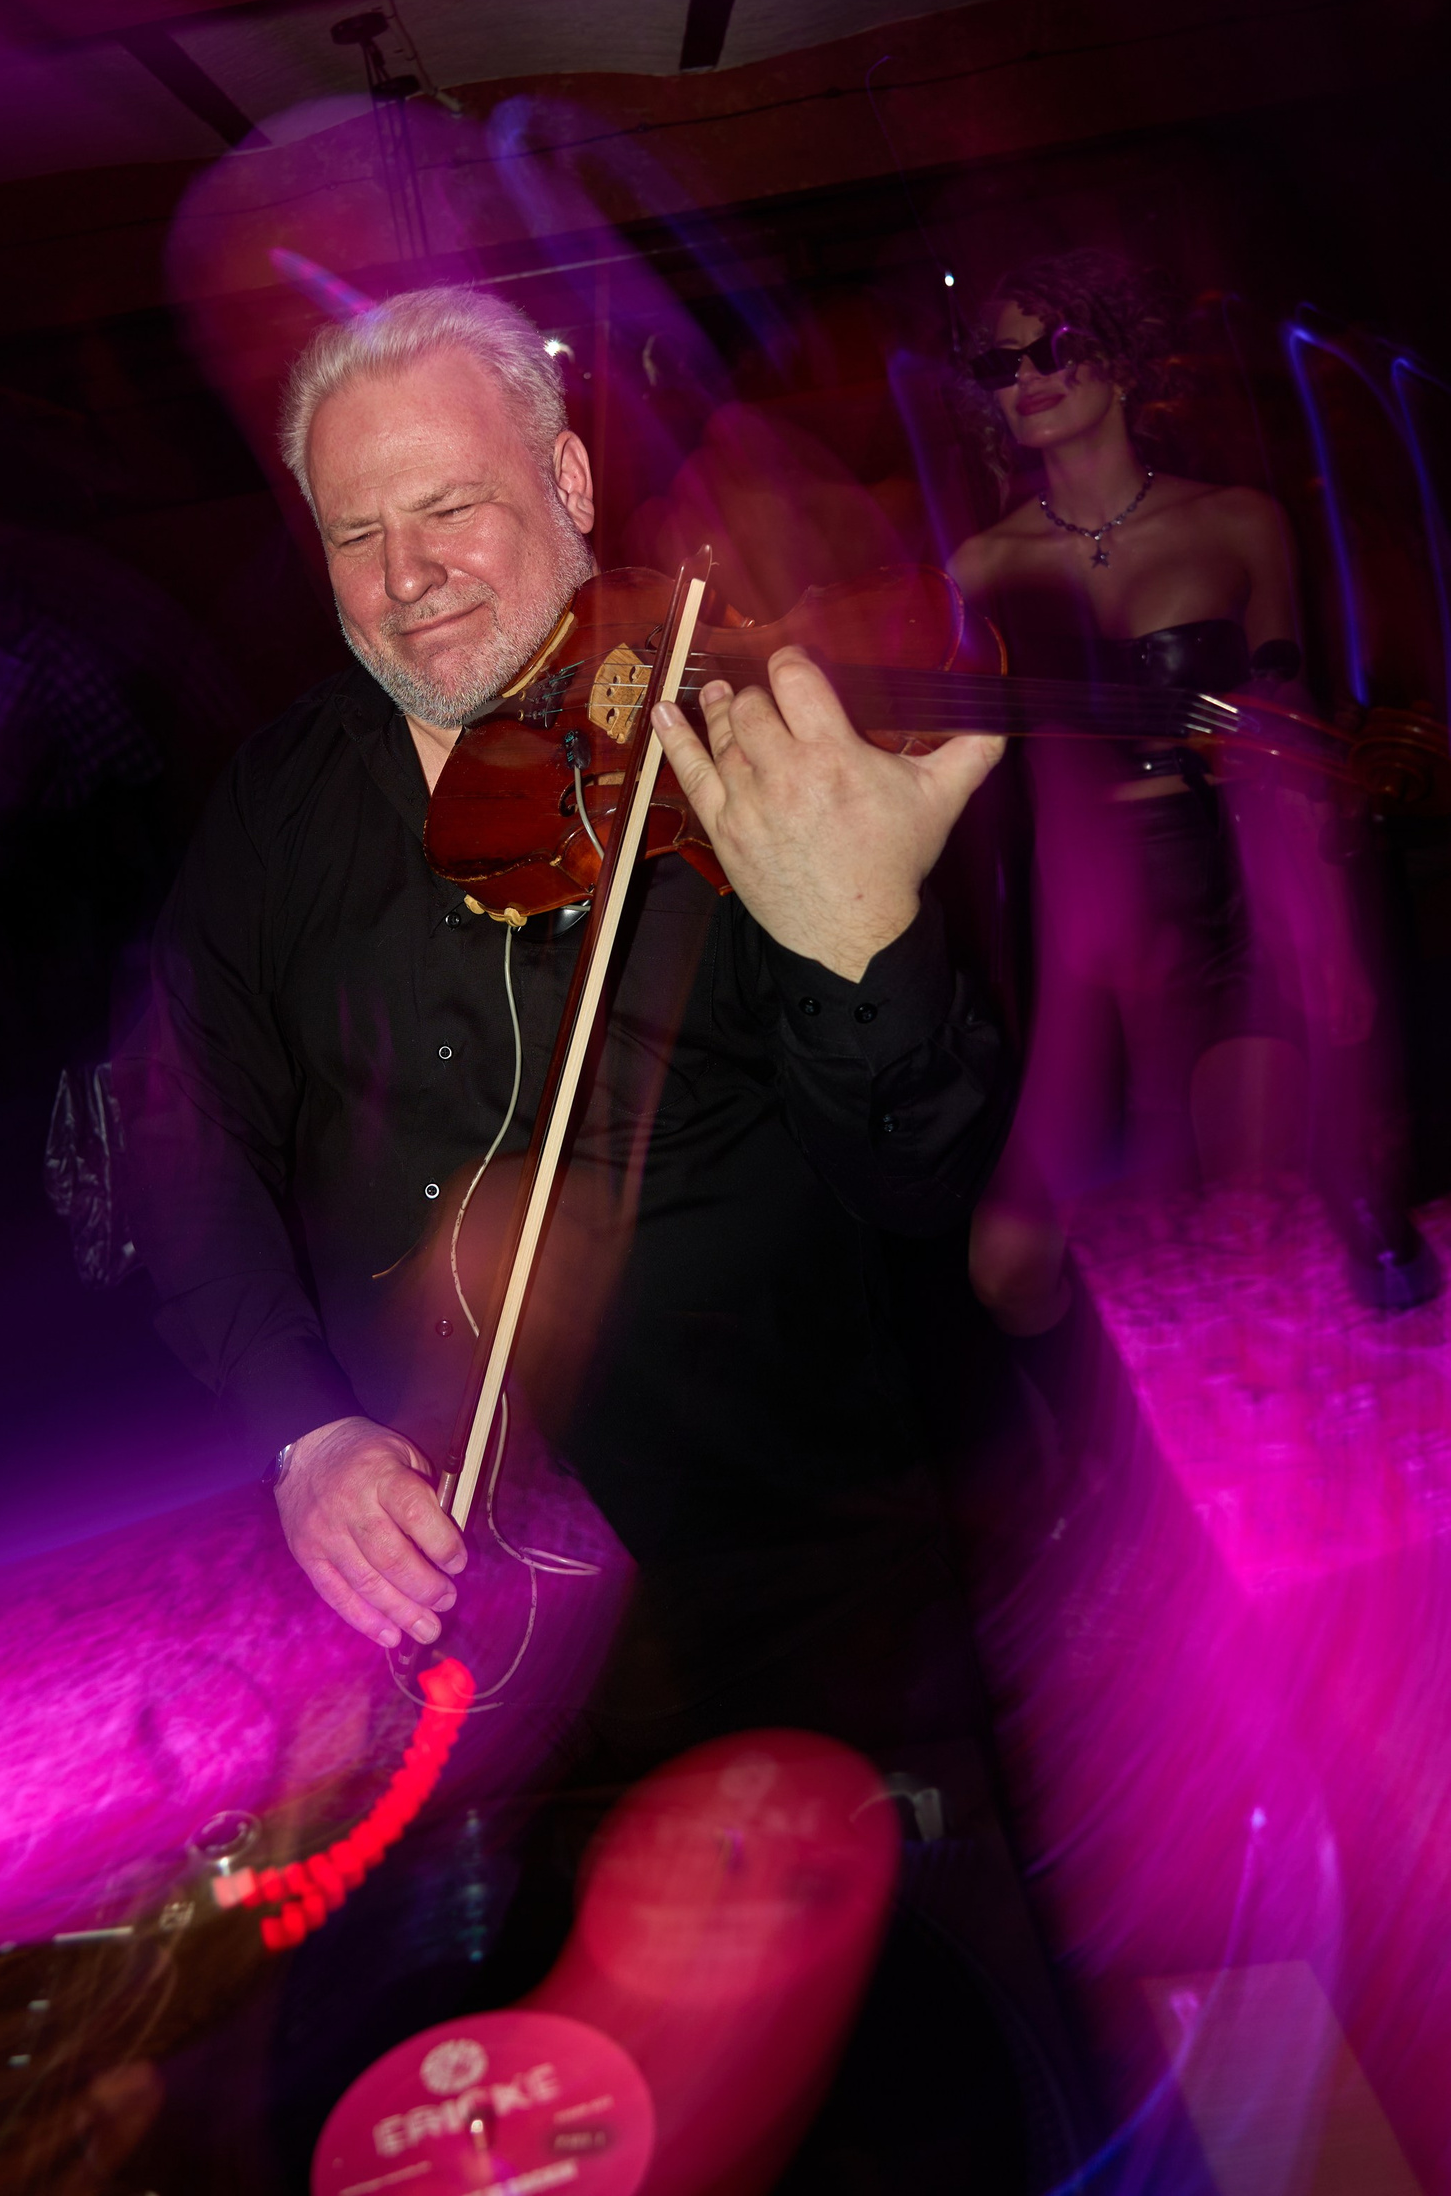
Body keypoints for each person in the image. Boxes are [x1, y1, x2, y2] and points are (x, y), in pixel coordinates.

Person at [126, 288, 1010, 1760]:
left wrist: (863, 941)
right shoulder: (277, 802)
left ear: (571, 482)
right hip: (456, 1637)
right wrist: (303, 1433)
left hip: (777, 1582)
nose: (407, 576)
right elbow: (184, 1130)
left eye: (450, 508)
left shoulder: (749, 757)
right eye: (356, 532)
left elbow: (920, 1179)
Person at [948, 250, 1433, 1349]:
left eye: (1055, 348)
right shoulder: (979, 568)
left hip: (1232, 910)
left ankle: (1280, 1420)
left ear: (1121, 360)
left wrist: (1328, 940)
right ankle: (1123, 1412)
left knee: (1251, 1225)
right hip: (1084, 933)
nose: (1027, 377)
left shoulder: (1237, 522)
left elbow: (1290, 752)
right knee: (1007, 1265)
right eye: (1000, 363)